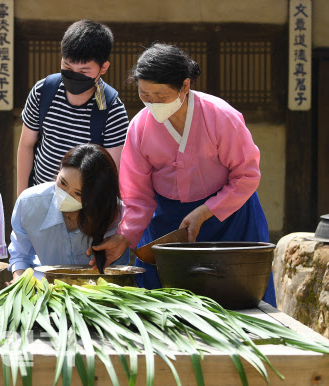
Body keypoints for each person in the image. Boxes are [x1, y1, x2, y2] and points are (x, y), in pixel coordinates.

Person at [92, 43, 276, 306]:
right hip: (168, 222)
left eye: (161, 95)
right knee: (165, 302)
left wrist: (205, 211)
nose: (152, 103)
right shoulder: (139, 128)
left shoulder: (221, 116)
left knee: (238, 297)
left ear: (185, 87)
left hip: (229, 215)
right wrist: (124, 236)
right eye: (145, 95)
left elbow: (246, 175)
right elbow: (138, 196)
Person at [16, 20, 130, 196]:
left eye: (84, 71)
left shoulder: (112, 110)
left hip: (85, 205)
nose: (74, 75)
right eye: (67, 66)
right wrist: (23, 198)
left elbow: (112, 172)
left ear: (104, 67)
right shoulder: (43, 91)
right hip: (41, 197)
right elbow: (26, 145)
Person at [8, 144, 126, 280]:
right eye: (62, 183)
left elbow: (117, 271)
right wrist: (20, 284)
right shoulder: (29, 202)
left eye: (78, 193)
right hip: (43, 289)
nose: (65, 196)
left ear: (97, 197)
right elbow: (20, 255)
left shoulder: (116, 214)